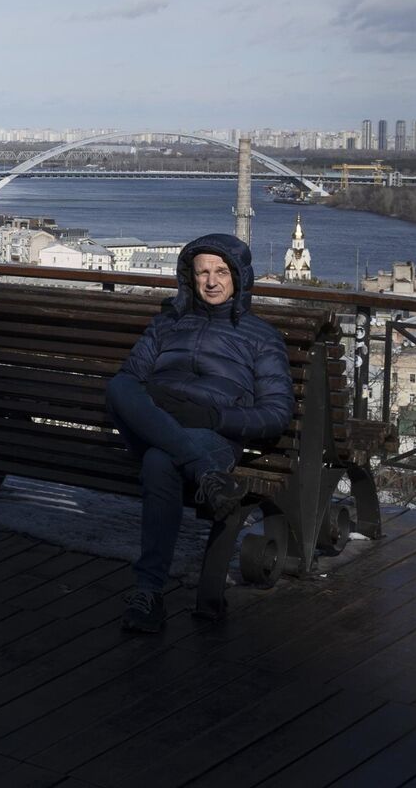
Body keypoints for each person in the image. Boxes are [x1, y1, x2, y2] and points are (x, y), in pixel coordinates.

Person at [107, 233, 294, 633]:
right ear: (190, 278)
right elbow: (130, 380)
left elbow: (276, 413)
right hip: (157, 424)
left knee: (160, 461)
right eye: (202, 272)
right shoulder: (167, 323)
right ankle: (205, 474)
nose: (211, 281)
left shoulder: (261, 337)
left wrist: (212, 418)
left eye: (221, 272)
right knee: (118, 387)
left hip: (211, 435)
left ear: (239, 277)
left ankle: (149, 591)